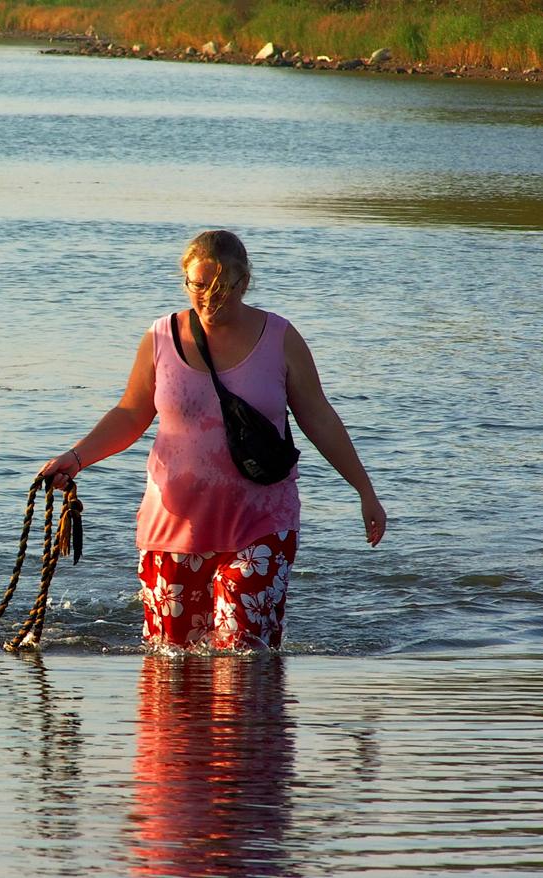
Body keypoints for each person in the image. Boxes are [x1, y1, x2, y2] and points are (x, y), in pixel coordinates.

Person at [41, 230, 386, 649]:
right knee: (170, 663)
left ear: (244, 282)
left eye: (221, 287)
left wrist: (364, 491)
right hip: (172, 528)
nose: (208, 298)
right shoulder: (161, 337)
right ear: (185, 280)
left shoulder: (280, 338)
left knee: (244, 657)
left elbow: (319, 418)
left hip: (260, 524)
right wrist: (77, 458)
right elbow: (131, 414)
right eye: (198, 285)